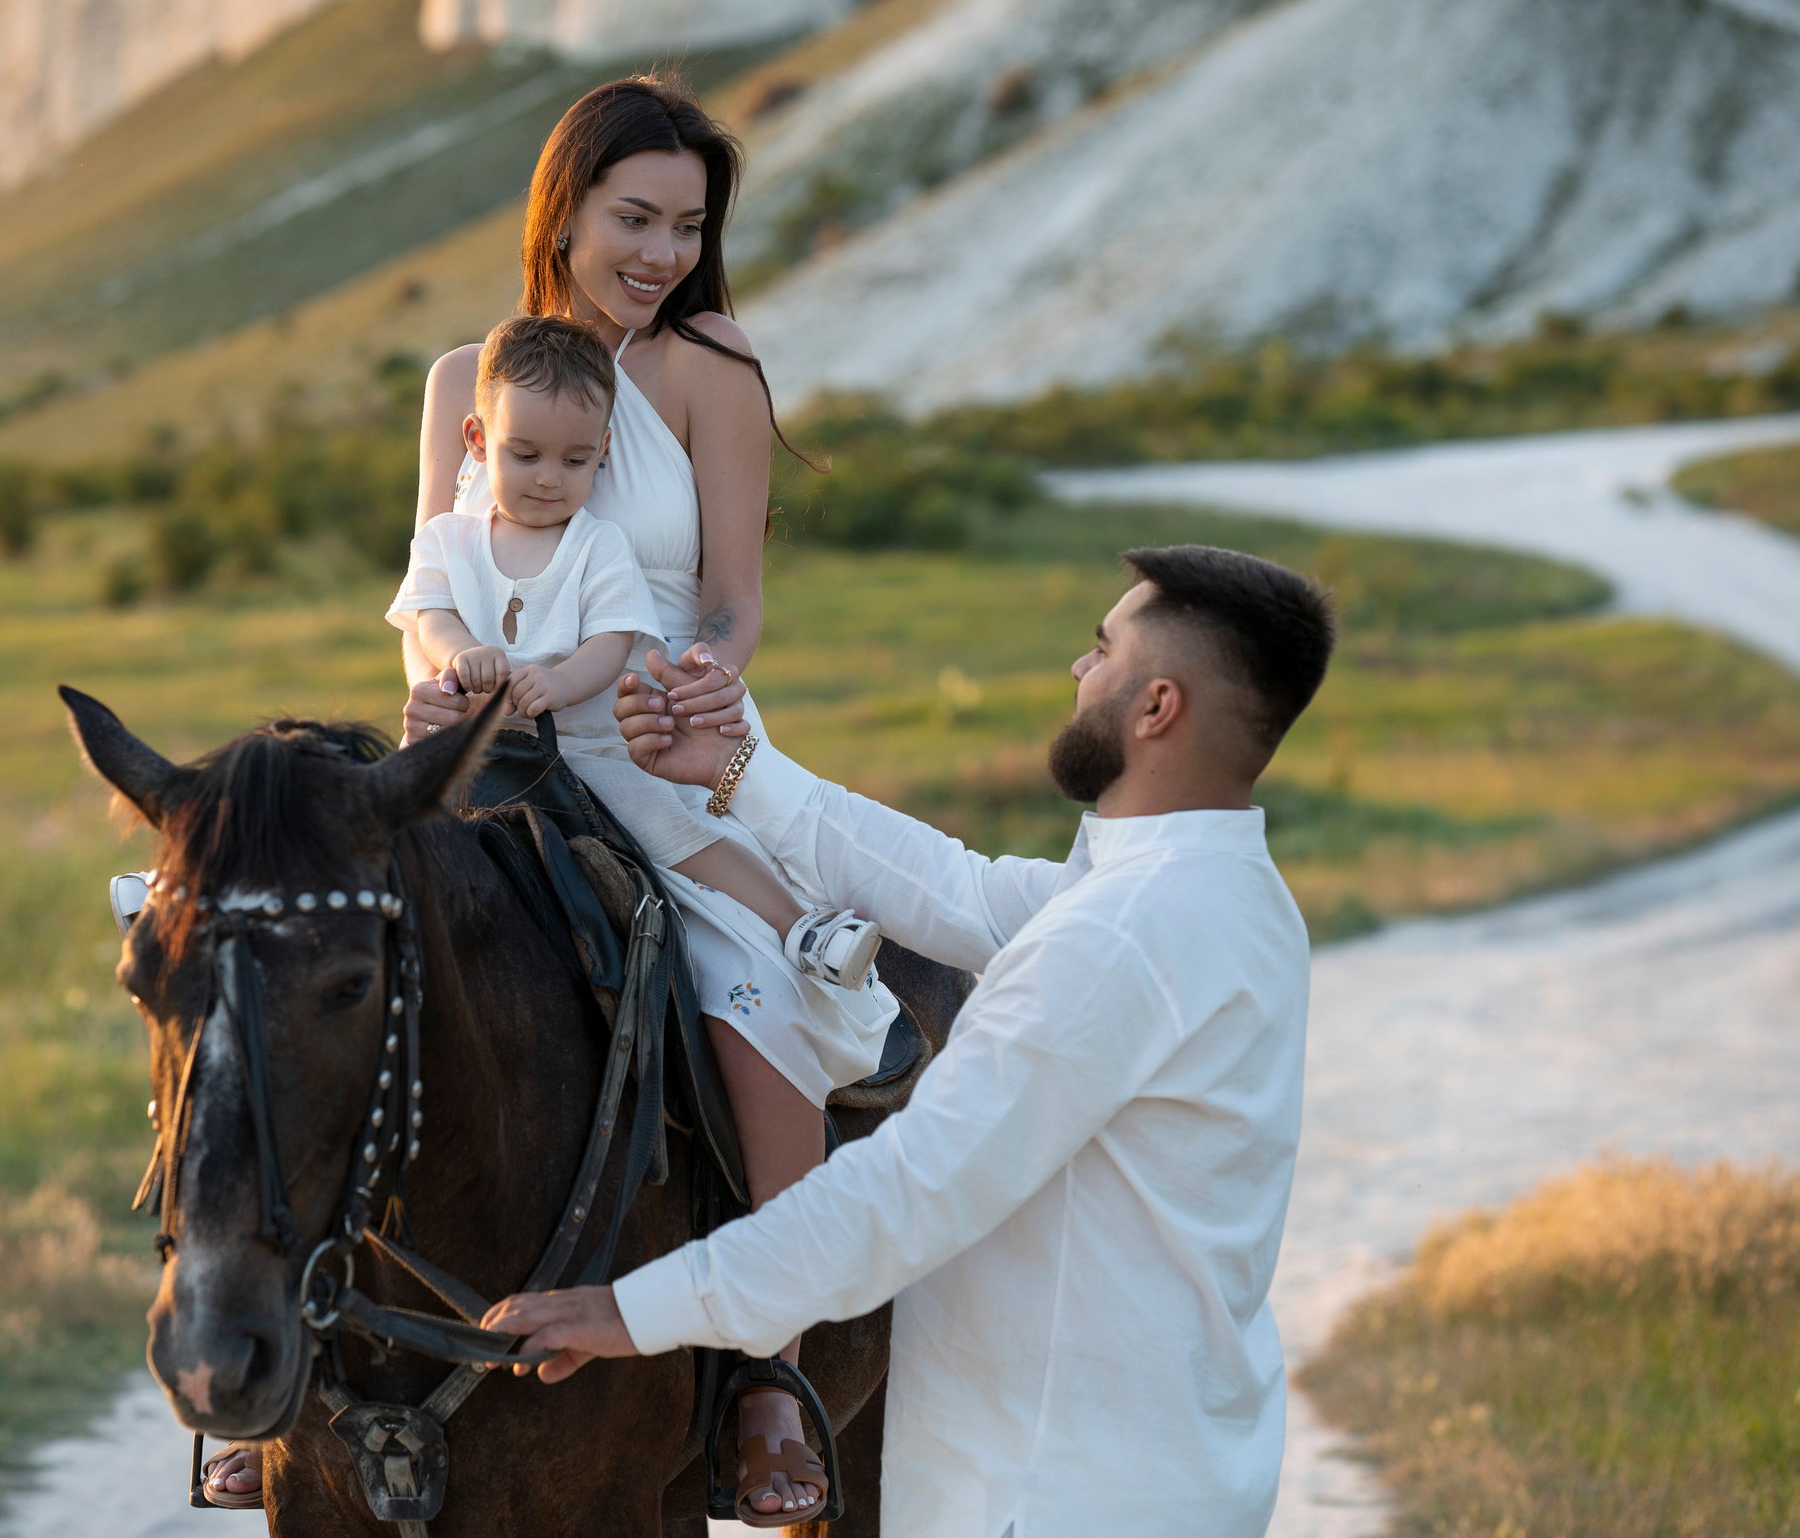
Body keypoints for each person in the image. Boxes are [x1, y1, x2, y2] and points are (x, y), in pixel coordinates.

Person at [209, 75, 896, 1520]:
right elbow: (432, 574)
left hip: (650, 723)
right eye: (632, 218)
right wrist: (448, 677)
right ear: (564, 210)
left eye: (686, 224)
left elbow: (728, 596)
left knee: (747, 980)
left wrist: (701, 680)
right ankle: (267, 1361)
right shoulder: (468, 379)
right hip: (474, 737)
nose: (658, 252)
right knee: (272, 966)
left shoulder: (714, 362)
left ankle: (765, 1364)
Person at [482, 545, 1341, 1538]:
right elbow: (961, 890)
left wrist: (630, 1312)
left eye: (1101, 651)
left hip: (1054, 1492)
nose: (1077, 670)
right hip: (1162, 1469)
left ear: (1156, 708)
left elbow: (912, 1186)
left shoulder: (1119, 937)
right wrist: (735, 775)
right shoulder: (1223, 892)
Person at [387, 313, 884, 989]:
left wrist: (560, 685)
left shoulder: (598, 546)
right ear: (477, 440)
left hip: (588, 749)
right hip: (474, 745)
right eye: (525, 454)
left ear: (604, 452)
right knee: (380, 834)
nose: (547, 479)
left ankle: (798, 923)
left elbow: (611, 640)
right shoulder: (449, 538)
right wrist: (461, 655)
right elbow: (427, 616)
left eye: (574, 459)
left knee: (673, 832)